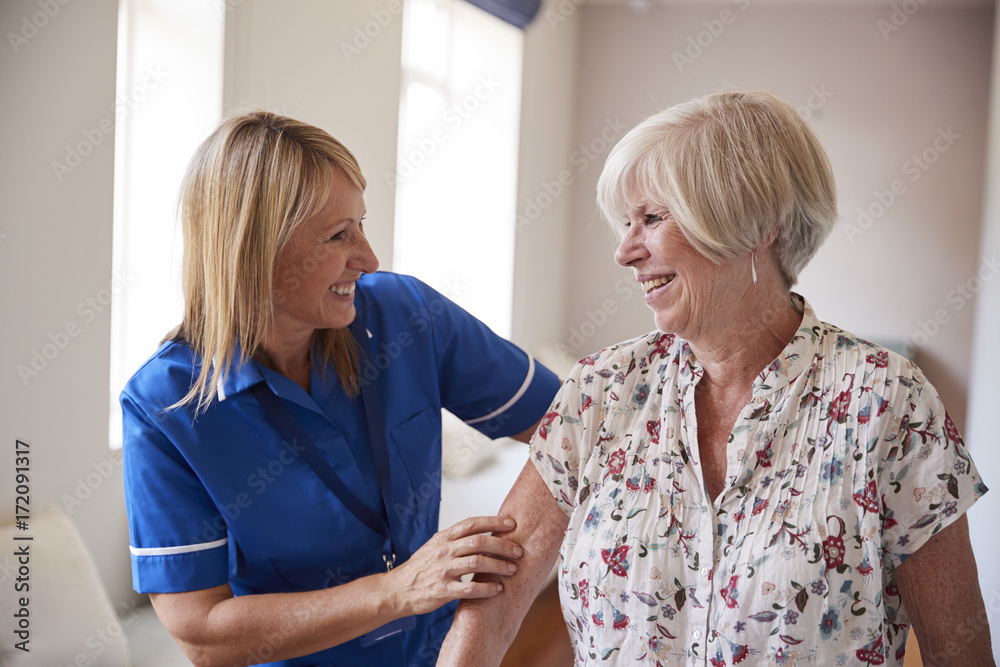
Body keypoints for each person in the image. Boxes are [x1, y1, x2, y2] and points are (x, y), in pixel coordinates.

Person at [439, 91, 994, 666]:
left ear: (756, 226)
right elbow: (493, 607)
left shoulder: (888, 403)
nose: (624, 251)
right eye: (626, 223)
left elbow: (961, 651)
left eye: (651, 219)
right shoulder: (599, 391)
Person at [120, 110, 561, 666]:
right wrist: (398, 591)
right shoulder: (164, 404)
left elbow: (574, 426)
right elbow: (203, 635)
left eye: (362, 223)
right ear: (254, 251)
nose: (369, 258)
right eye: (337, 235)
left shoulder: (407, 315)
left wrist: (488, 622)